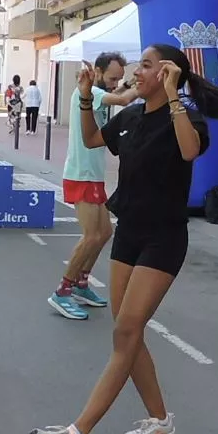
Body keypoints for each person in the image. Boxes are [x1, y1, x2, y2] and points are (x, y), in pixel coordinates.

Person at [29, 43, 218, 434]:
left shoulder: (186, 117)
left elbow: (189, 151)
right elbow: (94, 139)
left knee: (126, 332)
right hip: (129, 231)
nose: (136, 72)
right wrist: (82, 97)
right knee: (125, 333)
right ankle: (159, 420)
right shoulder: (131, 116)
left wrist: (172, 94)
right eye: (139, 65)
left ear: (168, 73)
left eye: (147, 66)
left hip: (164, 238)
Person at [48, 52, 139, 320]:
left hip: (93, 174)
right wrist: (140, 86)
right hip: (80, 174)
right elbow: (121, 99)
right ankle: (62, 291)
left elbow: (115, 93)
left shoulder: (99, 93)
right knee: (91, 236)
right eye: (112, 78)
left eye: (119, 78)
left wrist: (127, 82)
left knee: (104, 233)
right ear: (97, 72)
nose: (115, 83)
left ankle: (81, 283)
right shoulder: (86, 94)